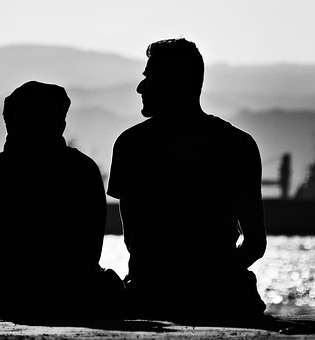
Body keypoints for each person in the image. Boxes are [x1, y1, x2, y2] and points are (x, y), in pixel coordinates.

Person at [108, 39, 266, 318]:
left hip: (151, 295)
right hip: (225, 297)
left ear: (173, 83)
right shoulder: (238, 145)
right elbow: (255, 244)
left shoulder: (131, 146)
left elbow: (134, 240)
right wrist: (214, 277)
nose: (140, 87)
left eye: (150, 78)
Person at [0, 81, 123, 321]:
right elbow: (91, 252)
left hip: (6, 289)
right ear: (60, 124)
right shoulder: (84, 169)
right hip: (76, 290)